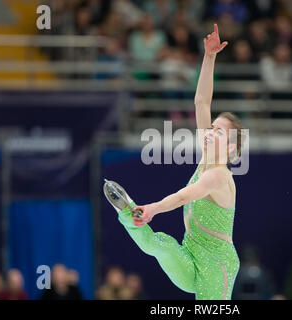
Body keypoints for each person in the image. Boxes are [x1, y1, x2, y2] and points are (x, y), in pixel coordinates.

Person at [104, 24, 244, 300]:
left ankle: (140, 211)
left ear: (229, 147)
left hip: (218, 266)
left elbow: (184, 196)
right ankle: (128, 211)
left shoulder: (219, 176)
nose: (210, 131)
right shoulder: (207, 159)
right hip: (190, 255)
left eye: (218, 131)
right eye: (212, 127)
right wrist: (209, 56)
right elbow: (202, 102)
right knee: (161, 246)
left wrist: (154, 208)